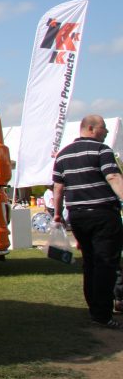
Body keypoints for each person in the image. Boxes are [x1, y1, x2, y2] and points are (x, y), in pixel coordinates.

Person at [52, 114, 123, 329]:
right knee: (106, 263)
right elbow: (113, 177)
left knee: (90, 263)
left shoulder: (62, 155)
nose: (107, 132)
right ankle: (102, 314)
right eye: (104, 128)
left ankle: (94, 309)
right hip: (103, 214)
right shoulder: (102, 151)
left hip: (78, 216)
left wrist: (57, 214)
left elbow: (58, 188)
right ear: (91, 128)